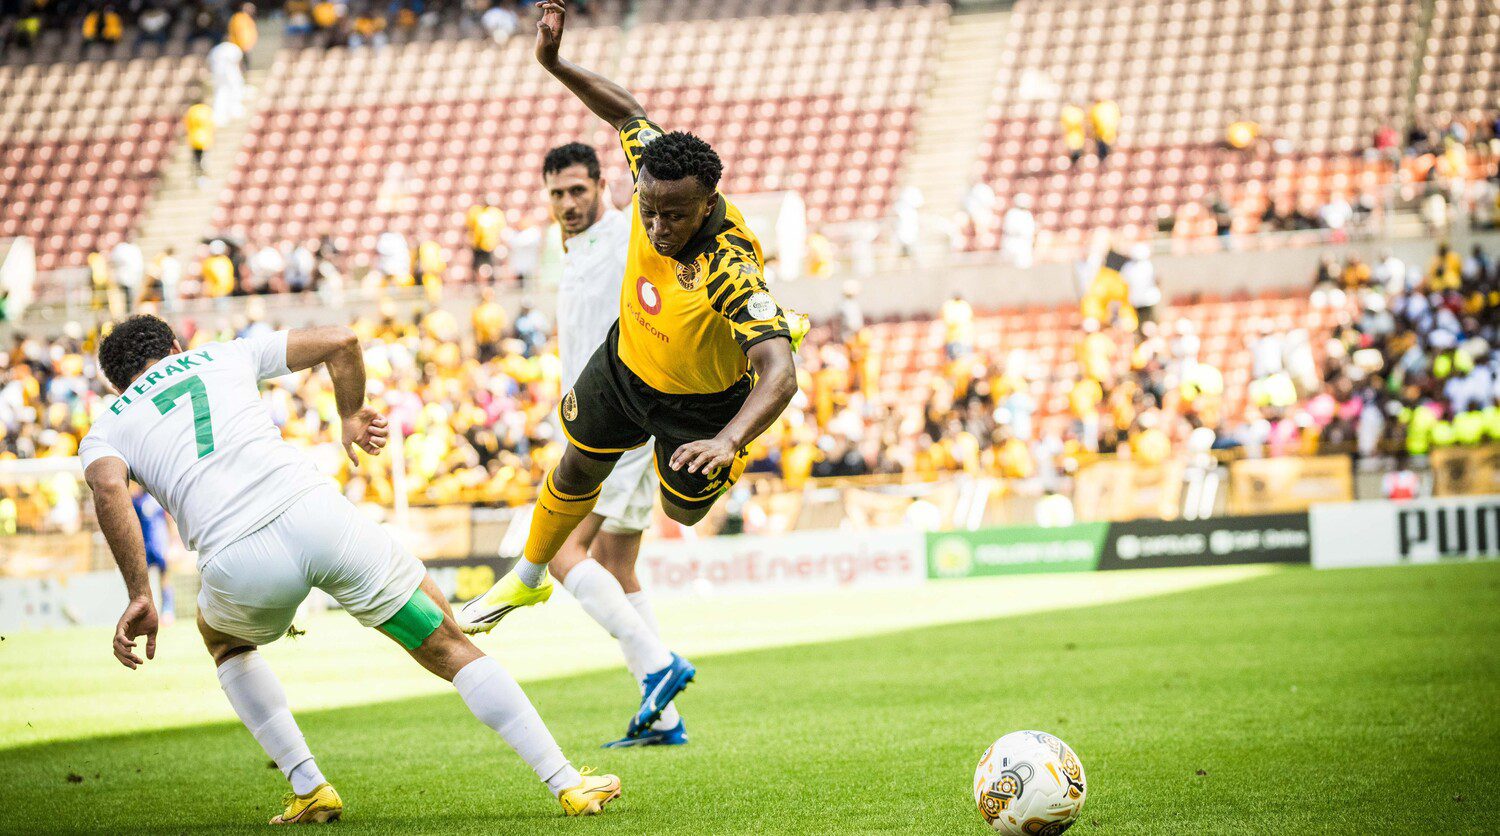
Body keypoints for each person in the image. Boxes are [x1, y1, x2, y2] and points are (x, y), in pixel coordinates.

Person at [82, 315, 621, 822]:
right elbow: (341, 341)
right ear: (175, 347)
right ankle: (567, 783)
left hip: (239, 562)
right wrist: (351, 413)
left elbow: (108, 489)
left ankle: (309, 787)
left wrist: (141, 593)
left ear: (117, 385)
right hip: (320, 519)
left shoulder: (108, 426)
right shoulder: (225, 354)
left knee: (223, 641)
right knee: (448, 643)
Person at [458, 1, 799, 744]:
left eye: (674, 216)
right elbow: (627, 111)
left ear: (706, 204)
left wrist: (729, 441)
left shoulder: (729, 267)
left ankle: (655, 672)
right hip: (626, 366)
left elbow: (781, 370)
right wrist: (553, 63)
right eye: (649, 211)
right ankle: (532, 582)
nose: (658, 227)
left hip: (700, 406)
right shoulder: (650, 175)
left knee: (683, 513)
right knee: (579, 473)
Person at [521, 141, 689, 748]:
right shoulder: (576, 250)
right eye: (557, 194)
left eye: (577, 190)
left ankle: (658, 665)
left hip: (616, 423)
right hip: (611, 421)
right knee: (617, 564)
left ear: (602, 186)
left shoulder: (627, 239)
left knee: (560, 551)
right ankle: (663, 720)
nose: (568, 203)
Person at [208, 39, 247, 125]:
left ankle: (226, 115)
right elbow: (239, 63)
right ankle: (230, 114)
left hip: (219, 76)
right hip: (230, 75)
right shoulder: (234, 48)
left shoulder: (216, 49)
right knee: (230, 93)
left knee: (223, 94)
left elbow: (210, 63)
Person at [999, 193, 1035, 269]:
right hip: (1012, 242)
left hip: (1024, 243)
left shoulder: (1028, 214)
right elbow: (1010, 229)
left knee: (1023, 267)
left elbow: (1030, 232)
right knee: (1008, 268)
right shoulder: (1012, 213)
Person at [184, 99, 215, 182]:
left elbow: (187, 124)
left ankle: (195, 174)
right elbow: (211, 124)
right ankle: (204, 174)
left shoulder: (191, 111)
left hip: (194, 138)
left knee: (196, 158)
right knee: (205, 157)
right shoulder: (207, 110)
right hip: (205, 138)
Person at [227, 4, 259, 69]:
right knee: (240, 62)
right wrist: (242, 44)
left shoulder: (248, 19)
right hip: (239, 45)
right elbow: (239, 32)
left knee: (246, 62)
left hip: (246, 44)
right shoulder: (238, 18)